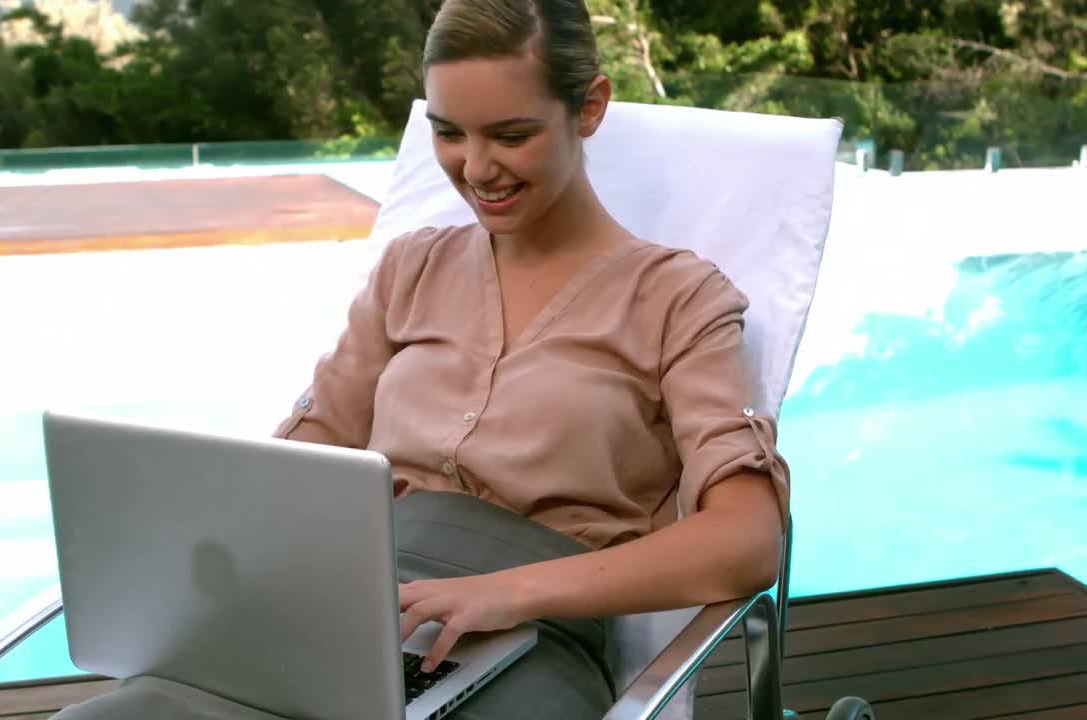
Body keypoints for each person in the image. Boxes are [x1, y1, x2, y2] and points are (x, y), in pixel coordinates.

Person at [50, 0, 788, 718]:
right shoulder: (412, 270)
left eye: (510, 134)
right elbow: (307, 455)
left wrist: (512, 590)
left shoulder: (678, 301)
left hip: (533, 641)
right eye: (449, 133)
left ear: (589, 108)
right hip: (347, 612)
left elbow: (749, 541)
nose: (475, 168)